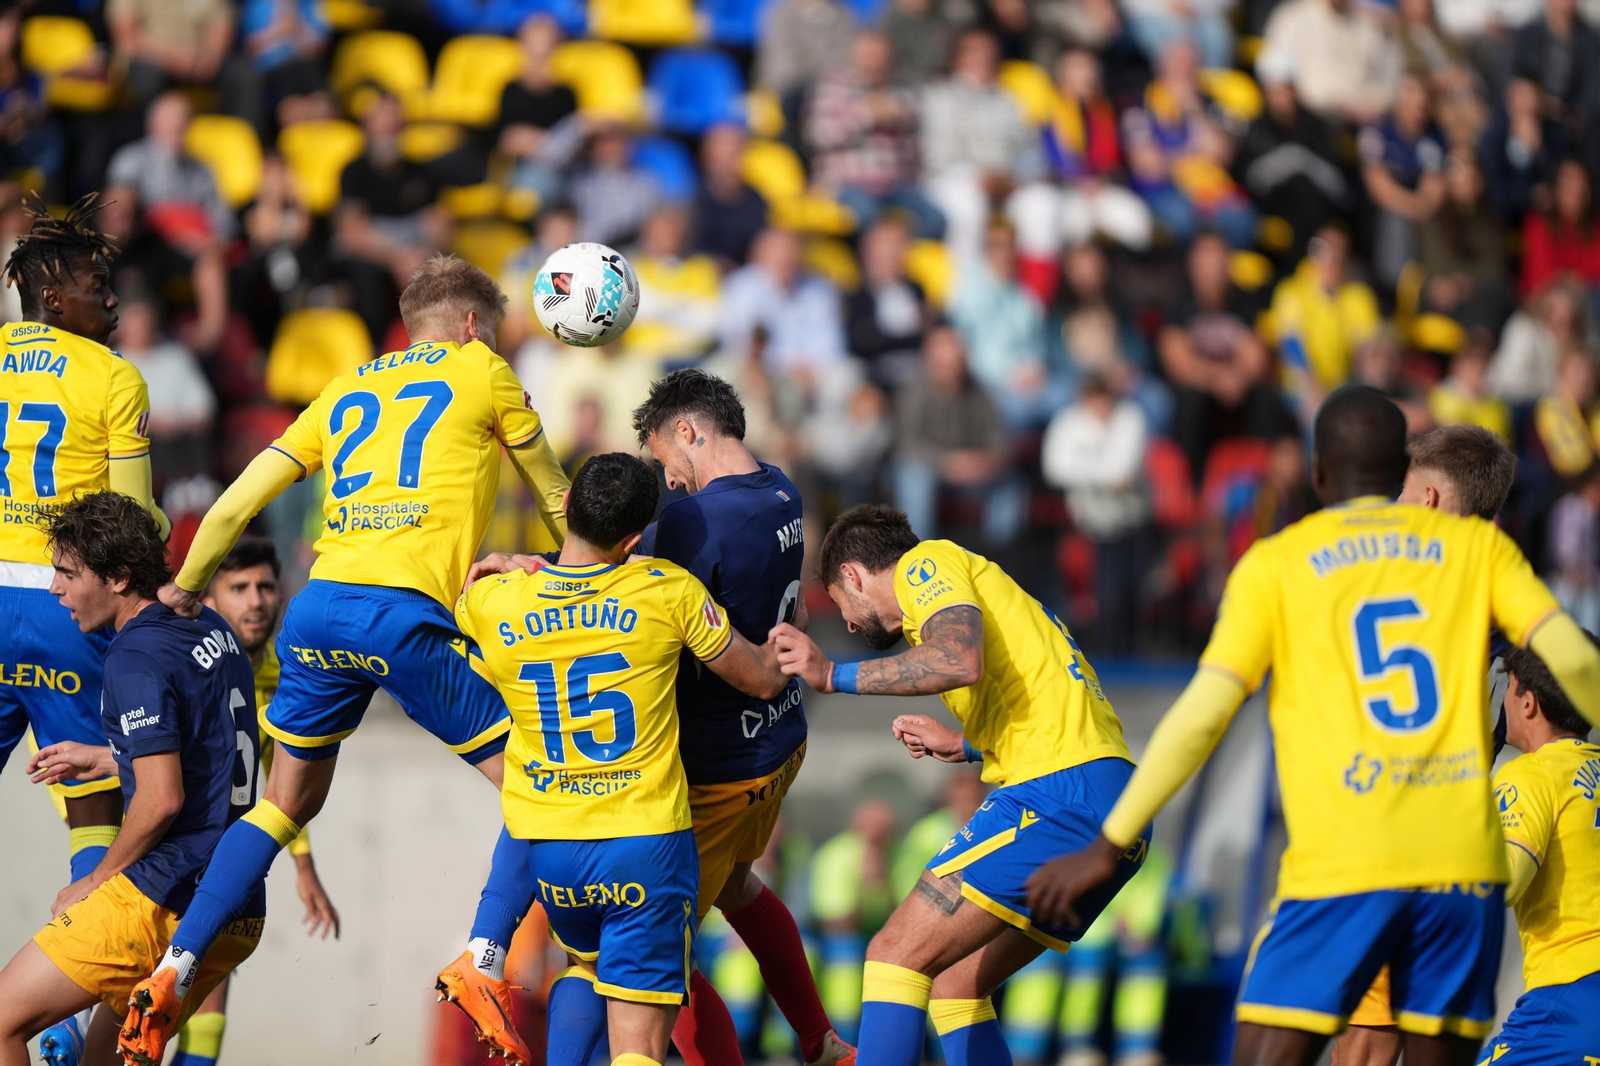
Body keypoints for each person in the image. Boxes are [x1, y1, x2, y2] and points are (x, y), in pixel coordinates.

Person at [1024, 386, 1600, 1066]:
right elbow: (1574, 661)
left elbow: (1203, 714)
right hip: (1462, 872)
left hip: (1348, 855)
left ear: (1319, 472)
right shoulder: (1482, 553)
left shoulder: (1280, 563)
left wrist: (1109, 841)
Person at [115, 255, 571, 1064]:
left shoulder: (344, 387)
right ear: (472, 325)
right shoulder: (483, 371)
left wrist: (185, 584)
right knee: (546, 787)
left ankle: (173, 967)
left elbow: (239, 496)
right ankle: (484, 958)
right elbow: (558, 498)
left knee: (283, 805)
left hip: (319, 610)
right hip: (402, 615)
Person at [441, 371, 854, 1066]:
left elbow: (605, 566)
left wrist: (526, 567)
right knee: (737, 889)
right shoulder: (783, 490)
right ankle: (820, 1042)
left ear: (688, 430)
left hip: (709, 772)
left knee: (619, 965)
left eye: (665, 457)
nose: (671, 478)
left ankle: (487, 954)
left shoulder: (685, 534)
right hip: (780, 743)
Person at [769, 505, 1148, 1066]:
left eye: (841, 603)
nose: (847, 624)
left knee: (894, 956)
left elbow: (957, 658)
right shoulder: (981, 592)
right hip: (1110, 802)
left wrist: (832, 674)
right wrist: (965, 744)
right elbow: (1041, 702)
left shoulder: (926, 563)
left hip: (1060, 797)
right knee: (955, 985)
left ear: (853, 575)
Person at [0, 493, 262, 1066]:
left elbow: (162, 798)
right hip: (231, 904)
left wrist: (96, 879)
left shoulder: (133, 655)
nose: (54, 590)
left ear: (119, 578)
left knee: (2, 1022)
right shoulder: (207, 623)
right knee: (106, 1058)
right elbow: (207, 751)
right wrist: (109, 757)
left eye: (68, 574)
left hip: (162, 896)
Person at [1332, 422, 1521, 1066]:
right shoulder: (1507, 599)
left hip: (1389, 843)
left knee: (1365, 1040)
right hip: (1463, 860)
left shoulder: (1395, 584)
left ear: (1432, 499)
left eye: (1404, 492)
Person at [0, 194, 170, 904]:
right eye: (97, 285)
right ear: (51, 296)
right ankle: (80, 955)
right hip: (63, 606)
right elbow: (132, 519)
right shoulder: (114, 375)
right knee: (93, 792)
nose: (112, 300)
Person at [166, 537, 342, 1066]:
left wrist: (304, 866)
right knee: (145, 998)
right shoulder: (188, 665)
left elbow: (280, 780)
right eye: (239, 587)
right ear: (209, 599)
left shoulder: (283, 675)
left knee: (206, 1002)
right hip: (166, 854)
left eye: (265, 586)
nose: (256, 600)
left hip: (221, 857)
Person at [1482, 637, 1600, 1062]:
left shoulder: (1530, 775)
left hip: (1571, 997)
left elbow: (1504, 881)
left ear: (1528, 704)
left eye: (1508, 687)